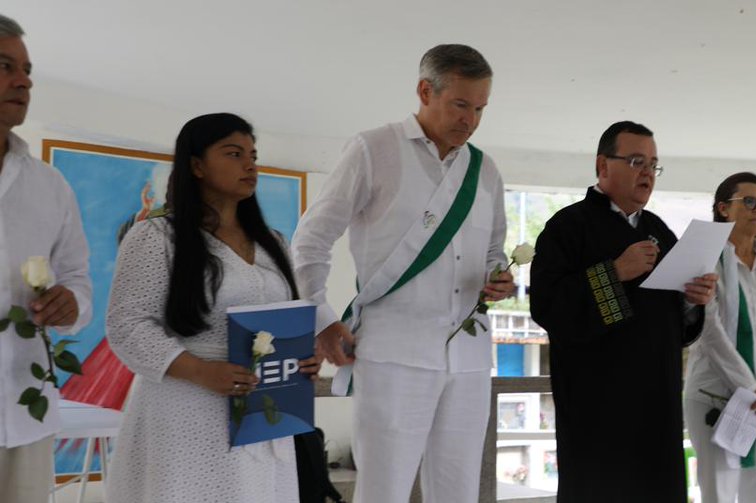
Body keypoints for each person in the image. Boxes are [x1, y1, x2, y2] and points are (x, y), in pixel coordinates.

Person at [290, 44, 513, 502]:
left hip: (469, 358)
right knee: (384, 490)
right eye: (460, 105)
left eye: (479, 109)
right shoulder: (374, 149)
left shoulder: (484, 170)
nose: (470, 120)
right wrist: (322, 319)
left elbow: (494, 250)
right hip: (394, 353)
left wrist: (501, 278)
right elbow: (310, 240)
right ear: (425, 91)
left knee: (459, 492)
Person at [105, 113, 320, 502]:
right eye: (234, 153)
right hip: (185, 408)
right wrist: (200, 371)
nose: (250, 164)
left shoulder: (274, 242)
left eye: (253, 155)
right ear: (196, 165)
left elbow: (285, 319)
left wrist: (303, 357)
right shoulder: (156, 237)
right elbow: (128, 325)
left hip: (262, 415)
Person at [529, 121, 716, 501]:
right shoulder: (567, 227)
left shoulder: (659, 231)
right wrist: (614, 273)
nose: (647, 173)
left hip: (656, 402)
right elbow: (548, 307)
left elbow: (674, 325)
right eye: (635, 161)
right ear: (602, 166)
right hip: (597, 407)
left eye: (653, 164)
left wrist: (692, 301)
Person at [0, 14, 93, 503]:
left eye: (27, 68)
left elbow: (78, 276)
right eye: (5, 65)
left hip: (25, 414)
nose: (24, 80)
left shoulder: (49, 187)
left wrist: (71, 303)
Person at [683, 172, 756, 502]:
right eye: (749, 202)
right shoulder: (705, 261)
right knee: (718, 493)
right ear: (722, 208)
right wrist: (751, 390)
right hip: (716, 395)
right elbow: (709, 331)